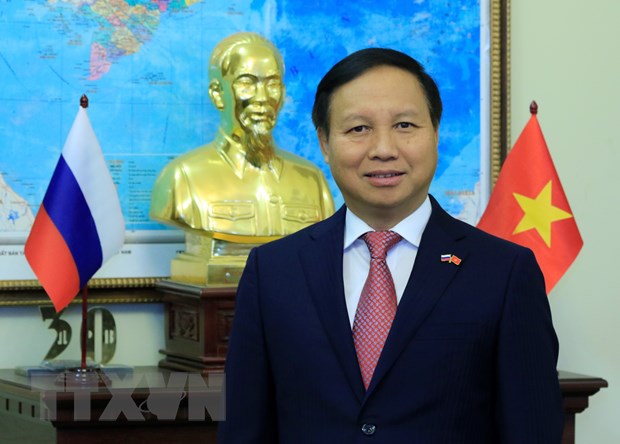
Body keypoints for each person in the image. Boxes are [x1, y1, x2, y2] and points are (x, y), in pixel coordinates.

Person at [218, 48, 564, 443]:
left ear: (435, 133)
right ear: (324, 143)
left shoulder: (503, 273)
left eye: (404, 125)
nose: (383, 148)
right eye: (358, 129)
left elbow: (532, 430)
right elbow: (242, 427)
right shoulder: (273, 272)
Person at [149, 32, 334, 284]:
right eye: (247, 83)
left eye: (272, 84)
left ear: (282, 93)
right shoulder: (182, 178)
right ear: (217, 94)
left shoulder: (312, 180)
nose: (263, 97)